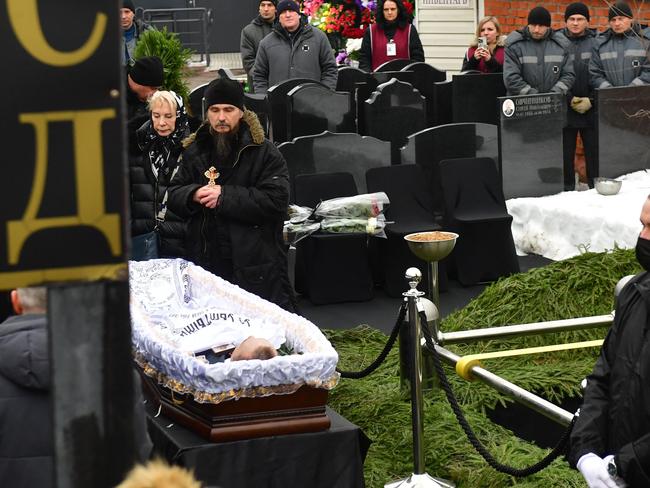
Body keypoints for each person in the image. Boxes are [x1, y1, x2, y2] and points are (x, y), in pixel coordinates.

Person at [168, 75, 296, 312]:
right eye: (215, 110)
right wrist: (194, 194)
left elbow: (276, 200)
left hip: (254, 262)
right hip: (207, 260)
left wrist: (224, 196)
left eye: (229, 109)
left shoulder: (264, 152)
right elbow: (174, 193)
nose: (221, 117)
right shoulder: (195, 150)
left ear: (241, 112)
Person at [568, 197, 650, 488]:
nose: (643, 237)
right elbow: (603, 376)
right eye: (643, 225)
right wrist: (586, 451)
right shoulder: (634, 292)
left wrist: (624, 464)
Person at [130, 90, 189, 259]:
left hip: (181, 240)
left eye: (168, 116)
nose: (161, 123)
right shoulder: (137, 145)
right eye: (156, 116)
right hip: (143, 238)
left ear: (179, 116)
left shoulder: (194, 149)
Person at [252, 0, 338, 93]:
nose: (288, 15)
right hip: (279, 103)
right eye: (283, 12)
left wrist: (324, 94)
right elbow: (259, 75)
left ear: (299, 15)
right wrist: (265, 99)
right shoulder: (266, 43)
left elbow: (330, 69)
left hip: (313, 103)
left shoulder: (318, 37)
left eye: (292, 11)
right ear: (278, 18)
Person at [557, 2, 599, 190]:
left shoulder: (597, 41)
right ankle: (566, 192)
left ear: (587, 22)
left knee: (593, 154)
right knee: (565, 155)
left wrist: (592, 99)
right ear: (565, 21)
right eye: (571, 19)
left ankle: (594, 191)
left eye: (580, 19)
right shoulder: (557, 41)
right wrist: (568, 98)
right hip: (565, 106)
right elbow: (554, 74)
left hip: (591, 106)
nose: (575, 23)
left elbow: (601, 72)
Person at [503, 6, 574, 96]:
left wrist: (555, 94)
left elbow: (568, 75)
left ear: (548, 26)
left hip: (555, 104)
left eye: (541, 26)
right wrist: (535, 97)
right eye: (533, 25)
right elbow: (511, 78)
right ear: (528, 24)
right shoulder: (514, 45)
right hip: (522, 105)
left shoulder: (561, 45)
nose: (536, 29)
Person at [589, 1, 650, 89]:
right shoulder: (600, 44)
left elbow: (648, 71)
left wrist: (632, 88)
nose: (617, 23)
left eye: (621, 18)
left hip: (640, 98)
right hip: (609, 99)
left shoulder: (644, 42)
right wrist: (609, 90)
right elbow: (594, 73)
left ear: (631, 19)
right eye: (613, 20)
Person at [358, 0, 425, 72]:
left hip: (405, 80)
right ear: (382, 11)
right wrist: (370, 78)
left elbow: (418, 60)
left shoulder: (410, 30)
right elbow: (364, 60)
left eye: (393, 9)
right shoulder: (370, 31)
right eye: (386, 9)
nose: (389, 12)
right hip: (377, 80)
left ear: (398, 10)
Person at [126, 56, 164, 147]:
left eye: (158, 89)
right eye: (153, 88)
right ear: (138, 82)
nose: (155, 94)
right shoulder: (113, 97)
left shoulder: (151, 99)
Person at [241, 0, 277, 93]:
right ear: (259, 8)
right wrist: (262, 78)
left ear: (276, 8)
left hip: (281, 83)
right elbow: (248, 62)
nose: (266, 9)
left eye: (269, 5)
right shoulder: (248, 31)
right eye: (263, 5)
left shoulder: (284, 28)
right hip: (258, 87)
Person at [121, 0, 153, 67]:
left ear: (133, 13)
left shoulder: (146, 32)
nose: (123, 16)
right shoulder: (108, 35)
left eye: (127, 12)